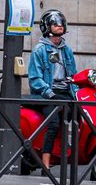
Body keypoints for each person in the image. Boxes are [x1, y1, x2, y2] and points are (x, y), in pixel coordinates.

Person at [28, 9, 78, 170]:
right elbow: (35, 79)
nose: (59, 26)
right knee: (54, 122)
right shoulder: (40, 50)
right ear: (46, 27)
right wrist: (48, 93)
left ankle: (68, 151)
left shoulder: (66, 49)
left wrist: (77, 90)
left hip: (65, 92)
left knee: (79, 116)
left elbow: (74, 74)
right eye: (55, 23)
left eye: (61, 23)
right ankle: (46, 162)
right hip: (46, 93)